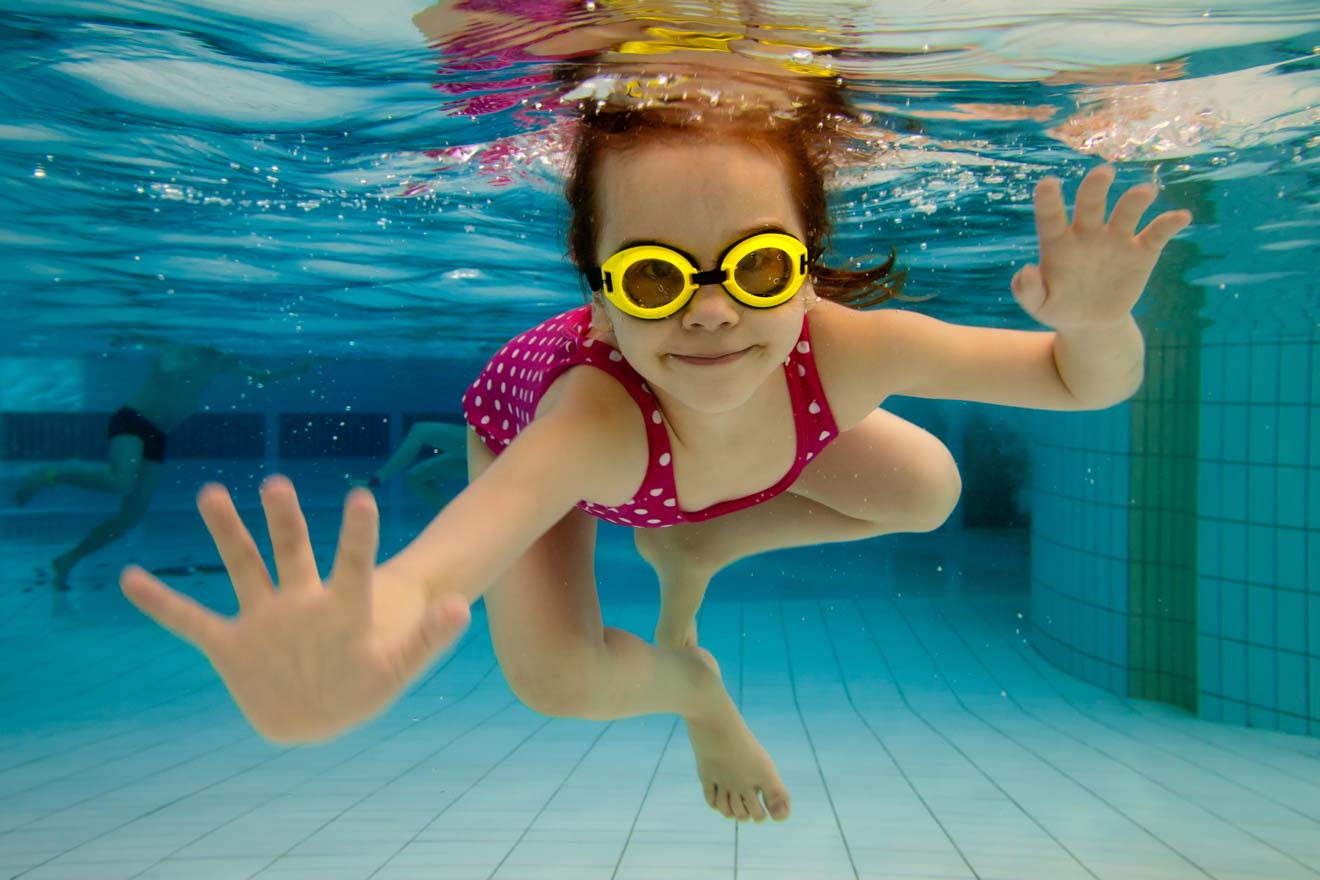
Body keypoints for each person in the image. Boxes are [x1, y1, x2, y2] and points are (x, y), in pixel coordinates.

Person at [117, 79, 1191, 827]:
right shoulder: (589, 422)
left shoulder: (847, 349)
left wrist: (1096, 325)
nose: (714, 312)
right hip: (566, 444)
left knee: (928, 486)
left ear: (809, 270)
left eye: (759, 270)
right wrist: (344, 668)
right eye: (653, 278)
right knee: (553, 677)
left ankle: (697, 550)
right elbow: (439, 570)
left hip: (714, 473)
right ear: (597, 295)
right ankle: (693, 688)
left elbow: (1071, 379)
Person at [15, 343, 309, 590]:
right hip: (133, 420)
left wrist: (299, 368)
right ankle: (51, 474)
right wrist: (178, 357)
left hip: (158, 434)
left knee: (131, 516)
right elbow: (165, 366)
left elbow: (263, 378)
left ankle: (68, 559)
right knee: (121, 481)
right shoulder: (180, 350)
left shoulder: (219, 361)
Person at [350, 421, 469, 509]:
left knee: (421, 430)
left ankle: (374, 481)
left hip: (485, 443)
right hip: (484, 447)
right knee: (414, 478)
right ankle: (463, 524)